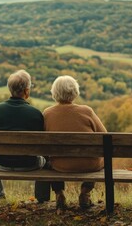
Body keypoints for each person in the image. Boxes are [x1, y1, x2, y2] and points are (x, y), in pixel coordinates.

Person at [0, 69, 49, 201]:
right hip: (30, 164)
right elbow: (43, 146)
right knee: (46, 161)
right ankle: (42, 198)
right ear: (26, 91)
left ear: (10, 89)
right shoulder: (36, 113)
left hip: (0, 162)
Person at [43, 75, 107, 209]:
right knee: (101, 159)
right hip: (89, 164)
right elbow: (105, 137)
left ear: (54, 93)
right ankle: (85, 193)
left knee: (49, 160)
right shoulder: (87, 111)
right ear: (75, 92)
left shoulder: (47, 113)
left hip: (60, 165)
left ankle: (59, 193)